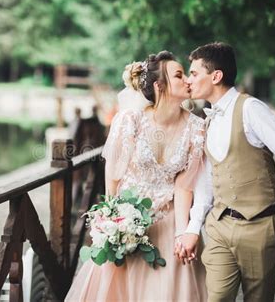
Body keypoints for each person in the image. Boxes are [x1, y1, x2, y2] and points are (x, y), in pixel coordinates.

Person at [176, 42, 275, 301]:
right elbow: (207, 180)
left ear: (216, 76)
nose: (188, 80)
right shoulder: (208, 119)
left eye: (194, 73)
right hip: (219, 226)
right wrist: (193, 227)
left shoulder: (251, 109)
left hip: (261, 225)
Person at [65, 51, 207, 301]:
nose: (187, 80)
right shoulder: (131, 120)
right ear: (158, 85)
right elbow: (113, 176)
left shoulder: (196, 128)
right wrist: (111, 221)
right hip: (127, 221)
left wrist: (182, 232)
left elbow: (185, 186)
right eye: (179, 74)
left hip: (169, 220)